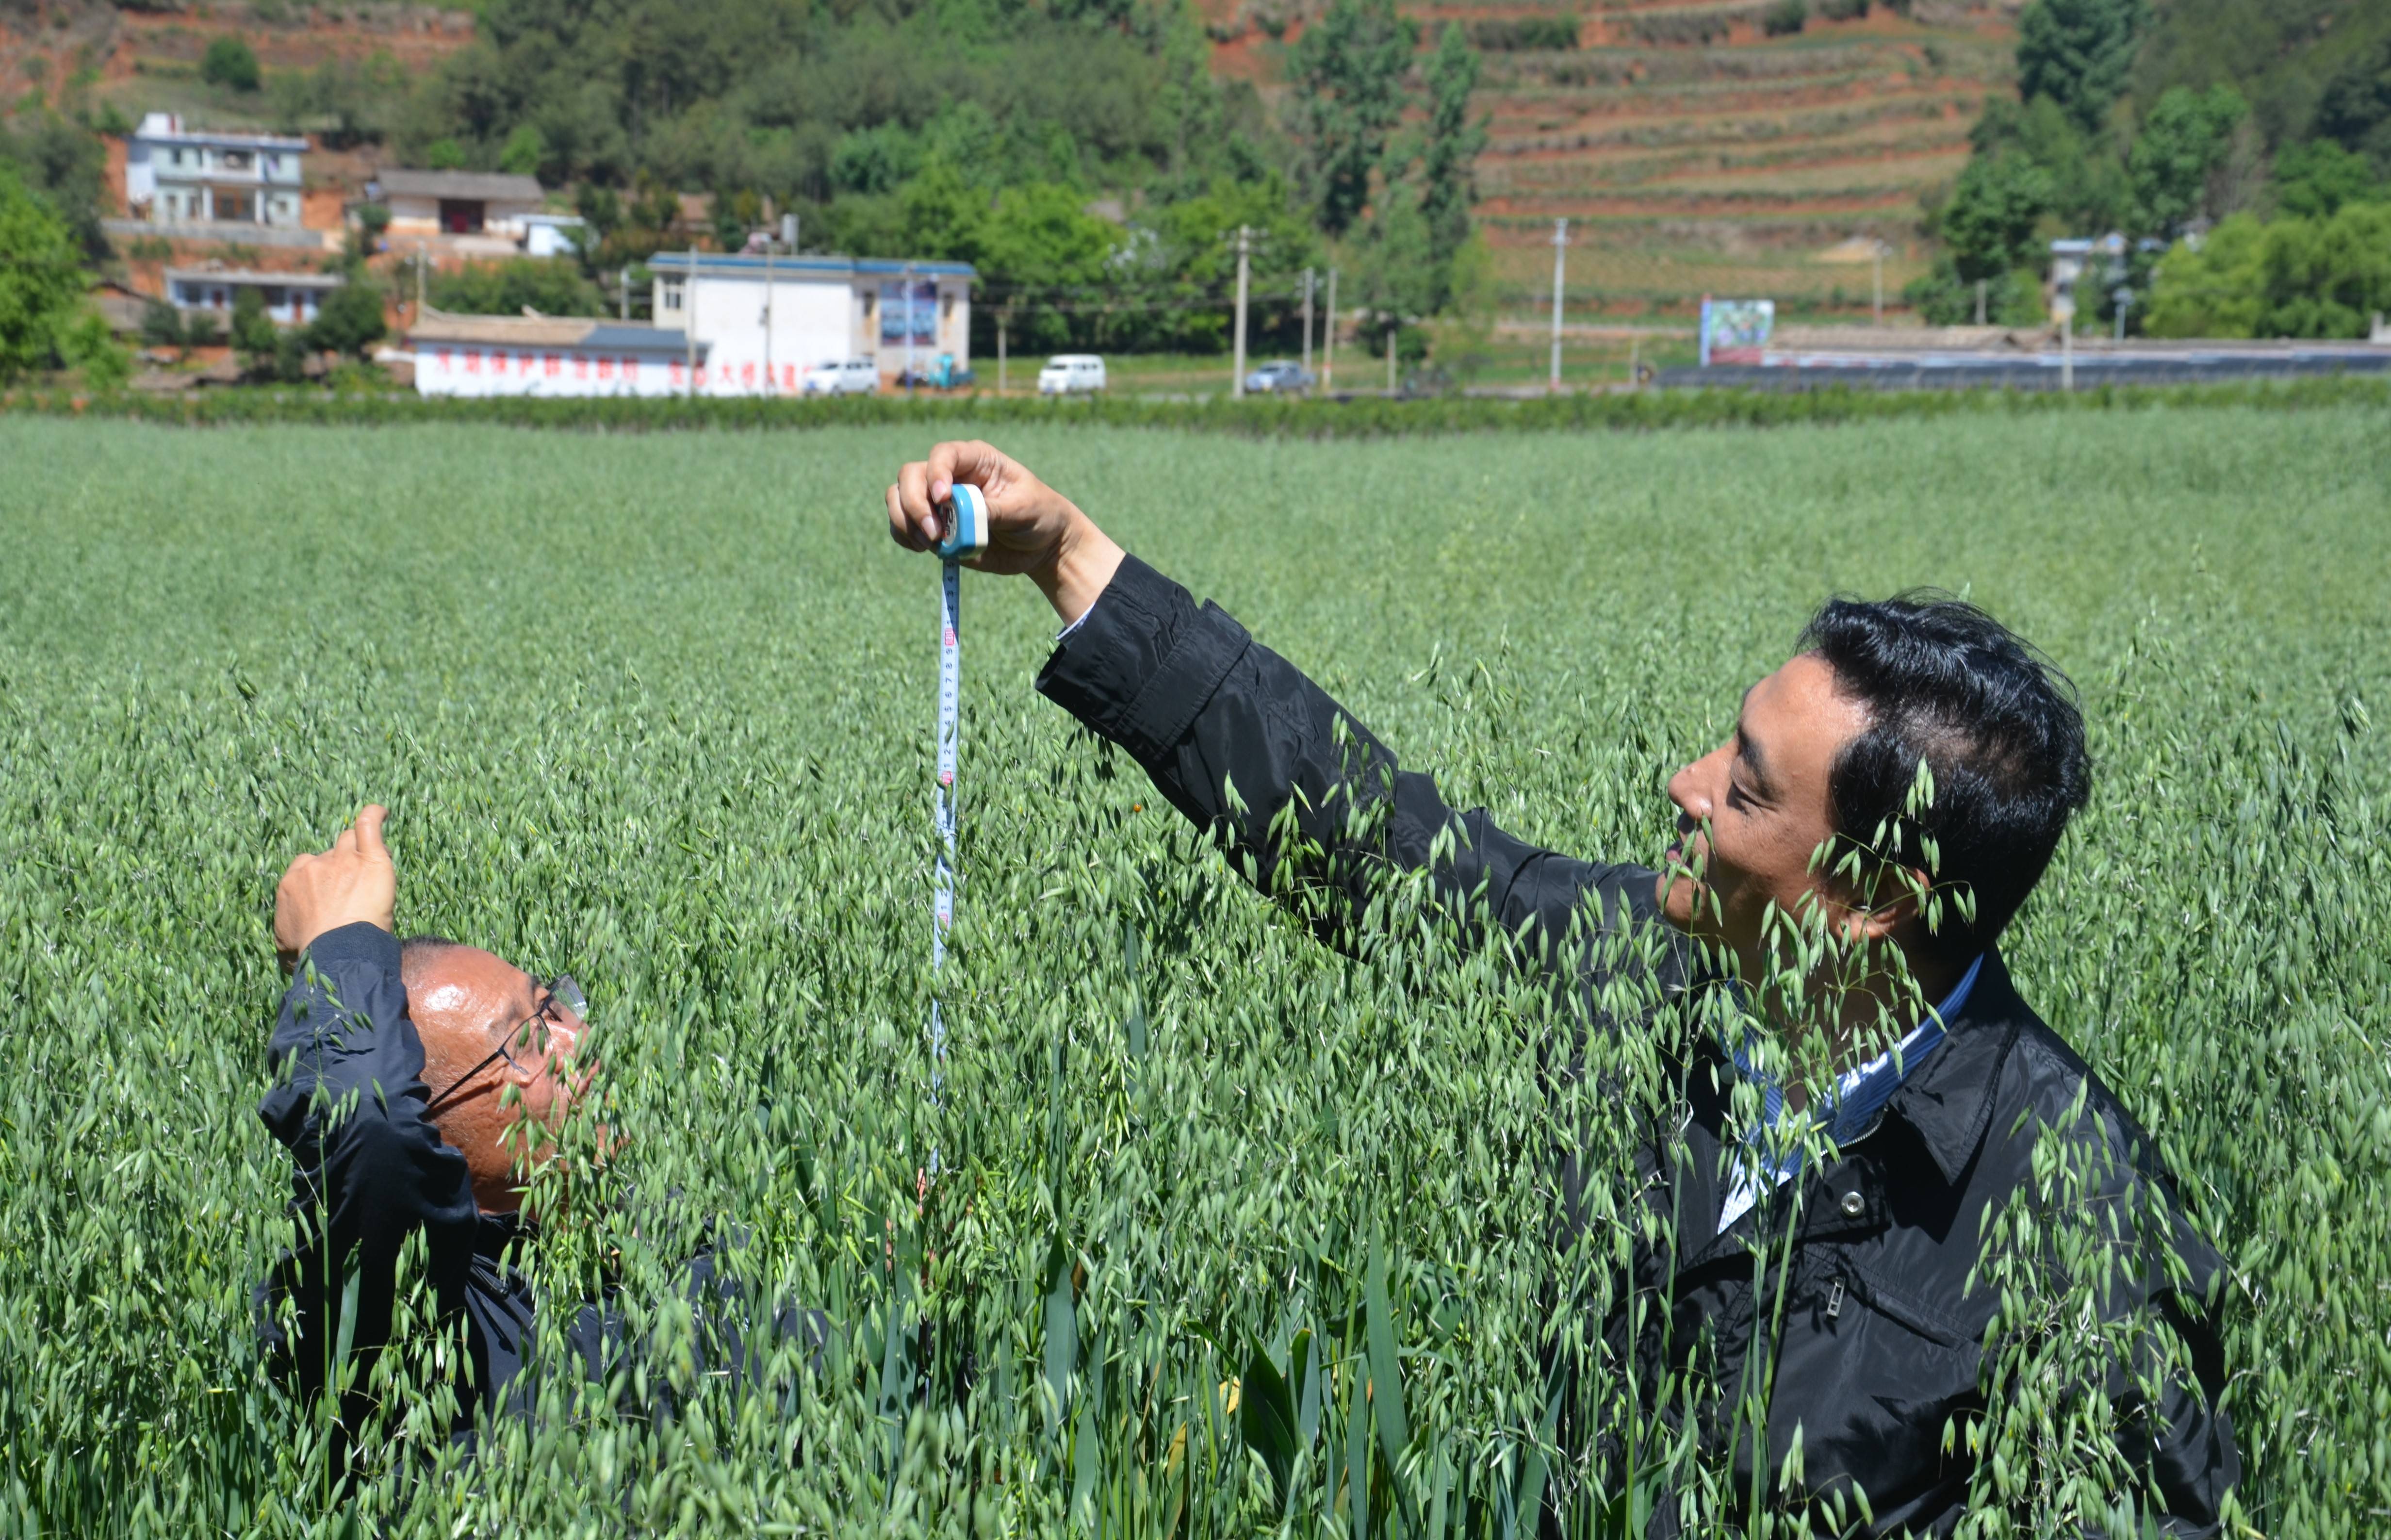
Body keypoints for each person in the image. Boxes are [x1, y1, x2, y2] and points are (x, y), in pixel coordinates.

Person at [884, 442, 2240, 1534]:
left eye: (1748, 785)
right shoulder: (1652, 960)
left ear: (1877, 892)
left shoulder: (2090, 1233)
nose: (1686, 784)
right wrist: (1073, 561)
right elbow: (1381, 851)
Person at [257, 805, 819, 1452]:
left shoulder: (653, 1233)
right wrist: (342, 949)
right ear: (430, 1129)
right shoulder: (410, 1316)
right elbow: (368, 1129)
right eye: (525, 1038)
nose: (576, 1037)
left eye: (553, 1005)